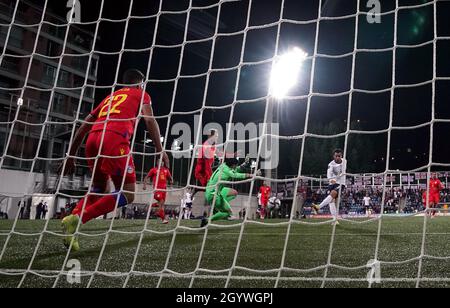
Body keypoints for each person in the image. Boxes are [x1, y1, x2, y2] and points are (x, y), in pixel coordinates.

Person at [59, 69, 169, 251]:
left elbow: (84, 125)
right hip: (114, 139)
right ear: (140, 83)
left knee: (100, 188)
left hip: (92, 140)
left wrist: (70, 155)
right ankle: (78, 220)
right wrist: (160, 150)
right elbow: (150, 120)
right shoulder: (142, 93)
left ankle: (71, 225)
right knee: (127, 194)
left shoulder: (111, 97)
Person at [201, 157, 260, 227]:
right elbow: (236, 175)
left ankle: (219, 206)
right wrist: (252, 175)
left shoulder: (224, 166)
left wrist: (245, 164)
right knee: (228, 213)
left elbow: (236, 169)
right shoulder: (228, 171)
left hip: (215, 190)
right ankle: (207, 220)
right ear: (232, 165)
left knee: (234, 192)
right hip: (213, 193)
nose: (235, 167)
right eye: (235, 165)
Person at [312, 149, 347, 225]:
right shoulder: (331, 164)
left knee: (333, 193)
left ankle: (318, 207)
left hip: (341, 183)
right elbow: (328, 174)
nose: (338, 157)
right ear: (333, 156)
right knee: (331, 201)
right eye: (336, 156)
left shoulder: (344, 161)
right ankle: (335, 220)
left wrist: (336, 179)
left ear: (341, 156)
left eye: (339, 156)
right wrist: (331, 180)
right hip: (332, 183)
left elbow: (343, 172)